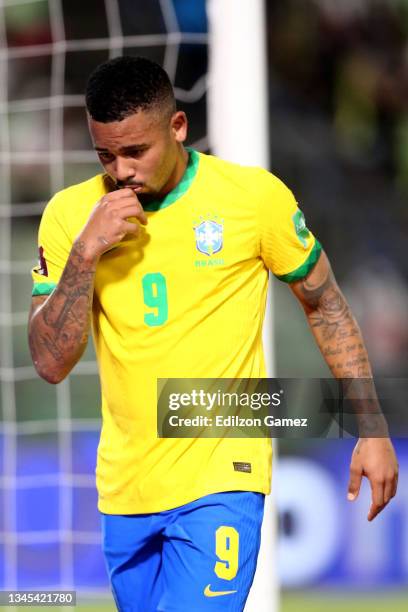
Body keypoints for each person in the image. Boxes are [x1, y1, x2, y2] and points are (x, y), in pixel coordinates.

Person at [28, 56, 398, 611]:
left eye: (136, 152)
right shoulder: (70, 216)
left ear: (177, 128)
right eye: (106, 154)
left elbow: (325, 304)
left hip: (222, 472)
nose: (122, 170)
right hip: (125, 486)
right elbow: (50, 364)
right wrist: (85, 253)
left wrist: (370, 427)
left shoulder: (251, 199)